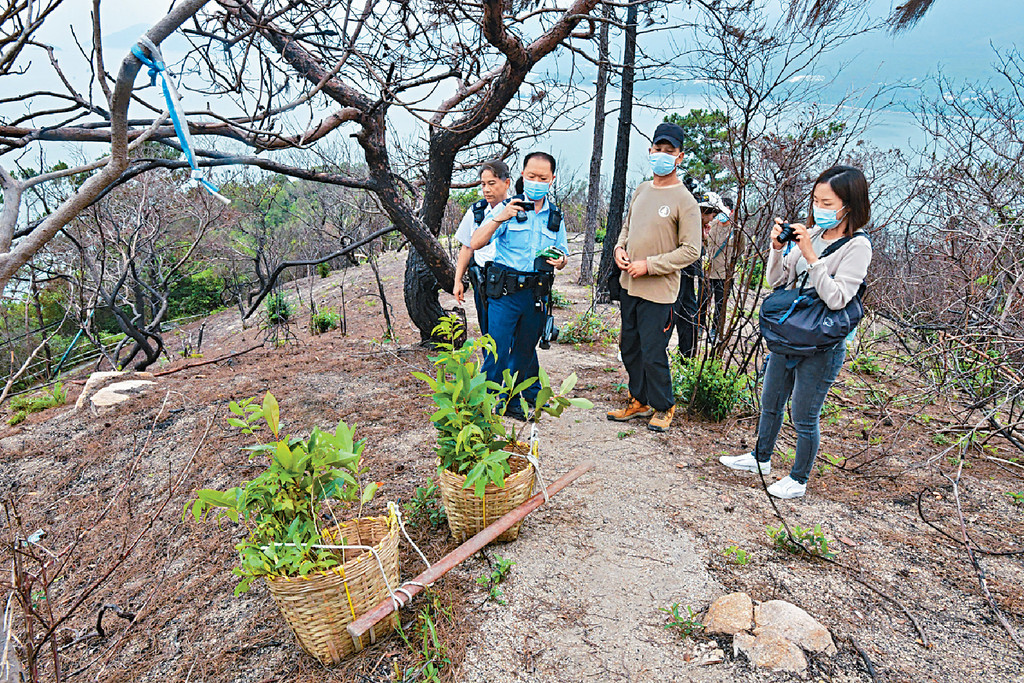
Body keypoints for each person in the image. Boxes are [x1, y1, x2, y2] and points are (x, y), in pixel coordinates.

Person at [719, 165, 873, 498]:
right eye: (817, 200)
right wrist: (777, 248)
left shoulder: (857, 247)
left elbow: (837, 298)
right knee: (771, 401)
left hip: (822, 344)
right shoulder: (814, 233)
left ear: (850, 204)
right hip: (791, 334)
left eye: (828, 202)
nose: (820, 208)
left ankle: (799, 479)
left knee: (804, 414)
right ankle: (760, 458)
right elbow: (777, 282)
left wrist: (811, 257)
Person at [606, 122, 702, 432]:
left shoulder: (684, 201)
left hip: (659, 292)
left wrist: (650, 265)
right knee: (629, 347)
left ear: (680, 157)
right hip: (629, 285)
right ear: (650, 152)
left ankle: (664, 405)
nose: (662, 155)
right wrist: (620, 248)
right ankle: (640, 400)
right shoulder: (642, 190)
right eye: (657, 150)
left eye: (669, 151)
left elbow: (691, 251)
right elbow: (627, 227)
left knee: (653, 350)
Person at [470, 152, 568, 419]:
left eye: (543, 178)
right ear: (522, 176)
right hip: (505, 294)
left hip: (535, 296)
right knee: (496, 352)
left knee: (524, 353)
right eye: (531, 176)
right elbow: (476, 242)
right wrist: (501, 217)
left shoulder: (555, 217)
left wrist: (561, 261)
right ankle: (481, 408)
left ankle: (511, 401)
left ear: (552, 179)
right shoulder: (508, 209)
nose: (536, 181)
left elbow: (563, 254)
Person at [453, 160, 512, 333]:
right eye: (483, 184)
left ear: (506, 183)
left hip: (511, 281)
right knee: (488, 332)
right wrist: (458, 281)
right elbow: (466, 247)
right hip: (485, 282)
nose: (486, 189)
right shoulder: (477, 212)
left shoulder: (519, 209)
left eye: (491, 183)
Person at [673, 190, 729, 357]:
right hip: (677, 278)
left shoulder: (699, 225)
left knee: (690, 321)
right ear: (706, 211)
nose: (714, 218)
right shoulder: (686, 221)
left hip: (689, 279)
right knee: (670, 319)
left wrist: (703, 237)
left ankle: (686, 364)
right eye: (714, 213)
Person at [701, 195, 742, 343]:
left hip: (724, 275)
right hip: (708, 271)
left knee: (720, 304)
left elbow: (740, 249)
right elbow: (705, 244)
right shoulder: (711, 226)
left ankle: (715, 330)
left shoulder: (736, 230)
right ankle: (699, 326)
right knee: (702, 301)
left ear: (730, 212)